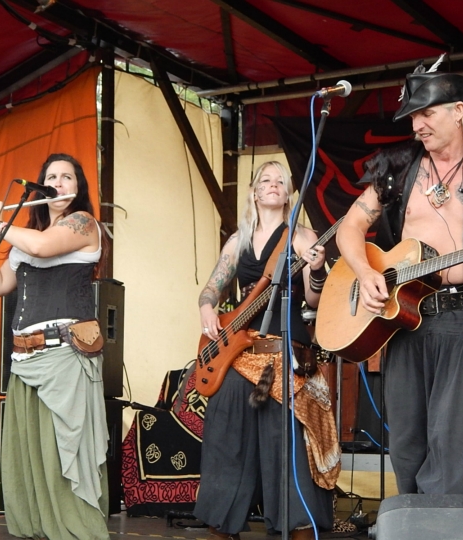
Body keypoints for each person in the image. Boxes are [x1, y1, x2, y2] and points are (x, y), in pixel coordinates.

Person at [336, 69, 463, 496]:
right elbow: (349, 227)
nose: (417, 125)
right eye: (411, 117)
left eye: (426, 113)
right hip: (405, 322)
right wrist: (367, 271)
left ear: (459, 112)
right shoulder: (397, 167)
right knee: (407, 443)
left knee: (458, 444)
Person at [0, 153, 110, 540]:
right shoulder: (27, 236)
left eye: (66, 177)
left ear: (78, 187)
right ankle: (39, 528)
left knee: (60, 454)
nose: (58, 182)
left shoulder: (83, 223)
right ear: (40, 187)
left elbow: (41, 247)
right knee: (33, 455)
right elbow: (1, 285)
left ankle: (75, 530)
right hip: (25, 357)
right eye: (51, 176)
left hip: (65, 355)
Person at [194, 161, 340, 540]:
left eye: (280, 181)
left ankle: (298, 527)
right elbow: (213, 286)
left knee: (285, 449)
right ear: (255, 191)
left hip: (285, 353)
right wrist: (207, 306)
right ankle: (220, 525)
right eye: (266, 180)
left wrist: (319, 269)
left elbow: (313, 296)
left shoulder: (304, 237)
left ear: (288, 192)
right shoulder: (237, 241)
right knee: (225, 438)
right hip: (239, 355)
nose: (273, 185)